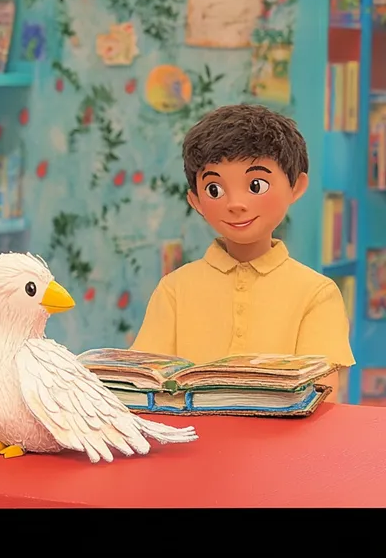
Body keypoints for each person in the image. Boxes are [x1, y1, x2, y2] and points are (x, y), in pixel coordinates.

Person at [131, 103, 355, 397]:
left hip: (283, 441)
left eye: (256, 185)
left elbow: (321, 395)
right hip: (194, 439)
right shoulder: (174, 290)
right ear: (196, 200)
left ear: (296, 187)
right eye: (215, 189)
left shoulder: (316, 293)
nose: (236, 203)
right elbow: (146, 382)